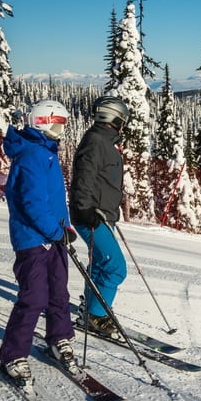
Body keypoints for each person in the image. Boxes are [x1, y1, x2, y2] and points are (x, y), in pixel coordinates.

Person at [0, 99, 79, 392]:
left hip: (52, 234)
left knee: (59, 291)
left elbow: (53, 199)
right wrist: (54, 231)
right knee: (33, 297)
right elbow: (32, 205)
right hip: (33, 240)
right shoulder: (32, 155)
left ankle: (59, 338)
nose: (62, 129)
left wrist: (65, 227)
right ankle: (14, 356)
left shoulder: (46, 152)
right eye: (59, 123)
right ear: (43, 123)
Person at [69, 96, 130, 340]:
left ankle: (91, 309)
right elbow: (84, 176)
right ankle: (95, 316)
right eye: (123, 119)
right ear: (115, 118)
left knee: (100, 265)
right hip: (91, 215)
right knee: (115, 268)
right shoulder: (97, 141)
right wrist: (85, 209)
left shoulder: (103, 140)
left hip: (101, 214)